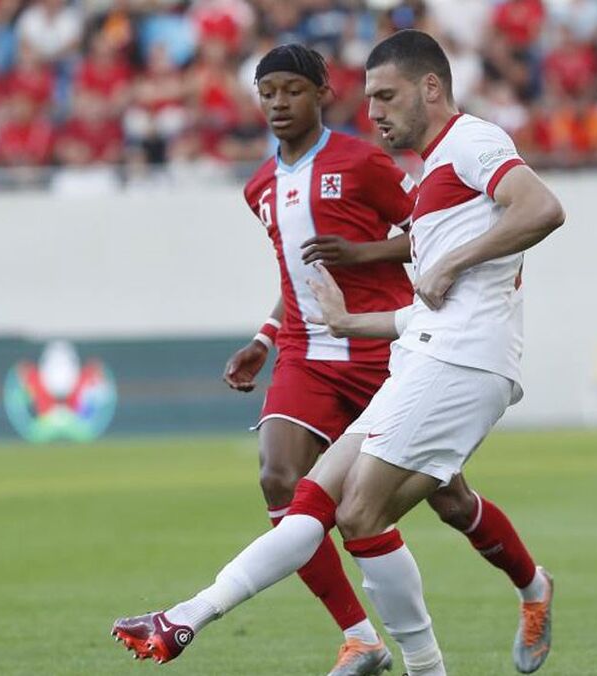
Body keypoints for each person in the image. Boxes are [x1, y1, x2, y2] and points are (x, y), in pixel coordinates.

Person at [112, 30, 566, 676]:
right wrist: (341, 322)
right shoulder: (426, 171)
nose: (373, 111)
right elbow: (428, 304)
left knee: (366, 512)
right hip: (417, 350)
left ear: (430, 87)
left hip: (461, 362)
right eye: (370, 98)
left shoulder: (471, 141)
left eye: (386, 96)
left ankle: (451, 644)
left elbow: (543, 208)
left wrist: (447, 263)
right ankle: (188, 615)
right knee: (312, 497)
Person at [219, 43, 415, 675]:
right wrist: (264, 338)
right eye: (267, 92)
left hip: (381, 349)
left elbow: (432, 231)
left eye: (292, 90)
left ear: (323, 93)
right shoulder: (259, 187)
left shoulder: (362, 161)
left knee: (450, 501)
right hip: (307, 354)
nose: (279, 102)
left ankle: (529, 583)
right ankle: (360, 638)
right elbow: (295, 276)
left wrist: (362, 255)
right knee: (278, 477)